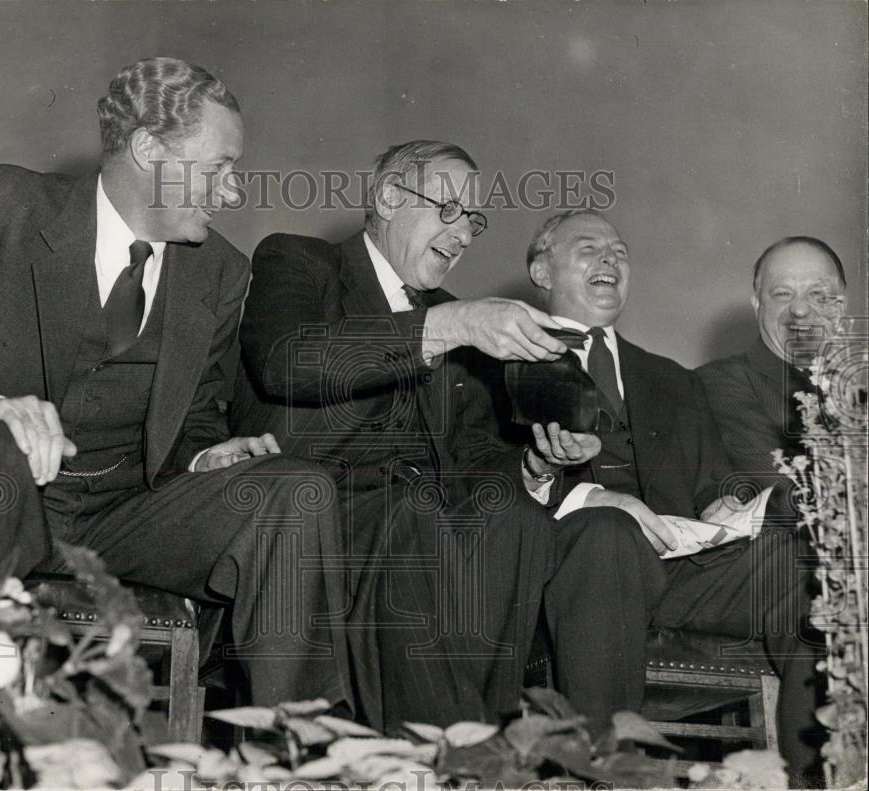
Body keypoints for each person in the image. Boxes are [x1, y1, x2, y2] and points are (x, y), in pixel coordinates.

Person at [0, 57, 351, 710]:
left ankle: (299, 752)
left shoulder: (220, 272)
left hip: (123, 515)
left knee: (296, 489)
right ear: (150, 149)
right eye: (217, 168)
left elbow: (195, 421)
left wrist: (209, 454)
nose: (233, 193)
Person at [231, 140, 641, 732]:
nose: (463, 233)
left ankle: (472, 737)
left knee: (518, 519)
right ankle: (457, 759)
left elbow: (473, 457)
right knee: (419, 520)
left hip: (420, 534)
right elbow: (287, 361)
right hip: (308, 520)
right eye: (447, 209)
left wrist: (536, 463)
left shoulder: (459, 316)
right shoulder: (300, 261)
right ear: (390, 197)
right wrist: (448, 325)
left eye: (473, 220)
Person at [524, 209, 824, 786]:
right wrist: (593, 497)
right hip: (569, 566)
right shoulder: (502, 360)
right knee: (607, 532)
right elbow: (486, 478)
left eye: (620, 251)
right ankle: (609, 779)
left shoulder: (671, 378)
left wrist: (733, 504)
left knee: (803, 559)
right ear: (541, 269)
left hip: (683, 570)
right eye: (589, 249)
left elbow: (715, 484)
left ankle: (821, 776)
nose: (611, 260)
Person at [697, 237, 847, 514]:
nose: (800, 309)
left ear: (839, 308)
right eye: (782, 293)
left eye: (819, 295)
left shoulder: (854, 399)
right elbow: (790, 498)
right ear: (757, 304)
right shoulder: (722, 383)